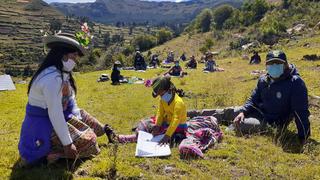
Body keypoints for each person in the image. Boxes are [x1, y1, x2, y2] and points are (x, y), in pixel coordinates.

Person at [18, 33, 115, 166]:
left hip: (59, 117)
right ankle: (52, 154)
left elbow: (69, 102)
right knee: (91, 142)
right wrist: (68, 144)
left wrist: (77, 116)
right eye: (74, 55)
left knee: (83, 115)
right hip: (45, 124)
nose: (76, 60)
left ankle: (106, 130)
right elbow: (55, 113)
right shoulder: (52, 78)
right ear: (63, 55)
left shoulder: (60, 74)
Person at [190, 50, 310, 146]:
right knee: (227, 112)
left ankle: (224, 126)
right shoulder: (263, 80)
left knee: (240, 125)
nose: (274, 66)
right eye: (271, 63)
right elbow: (253, 99)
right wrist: (243, 112)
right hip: (256, 111)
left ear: (285, 65)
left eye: (278, 63)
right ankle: (191, 114)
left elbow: (300, 112)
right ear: (266, 65)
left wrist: (303, 136)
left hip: (271, 121)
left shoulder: (295, 83)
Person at [117, 76, 188, 145]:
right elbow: (160, 113)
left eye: (161, 94)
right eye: (159, 95)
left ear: (169, 89)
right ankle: (122, 138)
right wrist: (157, 125)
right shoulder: (162, 100)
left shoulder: (178, 103)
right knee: (147, 125)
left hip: (178, 127)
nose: (161, 96)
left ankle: (122, 138)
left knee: (168, 137)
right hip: (166, 123)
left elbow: (175, 120)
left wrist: (167, 135)